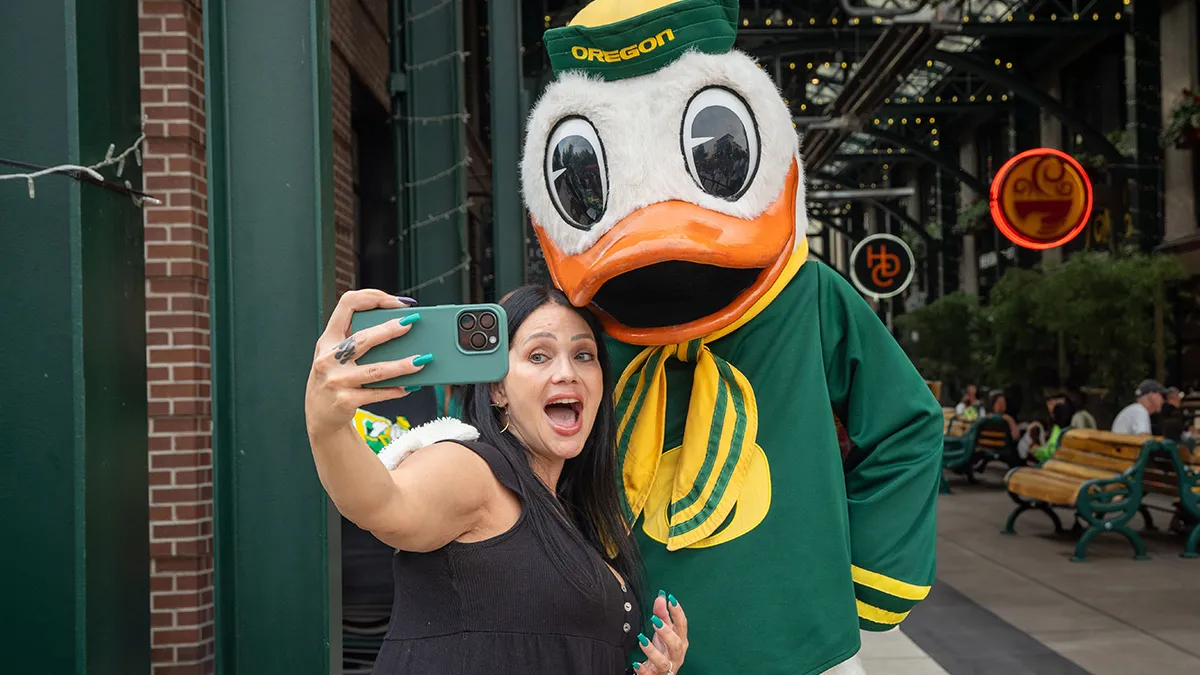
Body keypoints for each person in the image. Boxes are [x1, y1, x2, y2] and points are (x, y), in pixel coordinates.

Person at [305, 286, 690, 674]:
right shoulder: (472, 469)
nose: (566, 373)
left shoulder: (572, 514)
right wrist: (327, 423)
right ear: (497, 388)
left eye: (583, 355)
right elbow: (384, 504)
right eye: (538, 355)